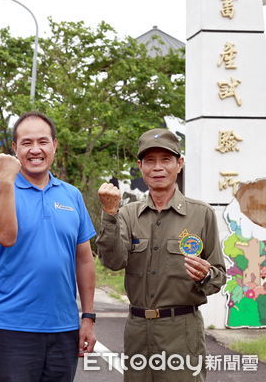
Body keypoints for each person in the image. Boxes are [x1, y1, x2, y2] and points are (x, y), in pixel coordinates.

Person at [96, 128, 226, 381]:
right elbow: (113, 262)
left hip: (182, 330)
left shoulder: (201, 214)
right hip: (137, 330)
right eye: (150, 161)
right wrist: (109, 214)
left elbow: (218, 276)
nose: (158, 167)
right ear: (140, 166)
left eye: (166, 160)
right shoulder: (127, 214)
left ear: (179, 164)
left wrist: (205, 275)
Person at [0, 111, 97, 382]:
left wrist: (88, 317)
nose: (35, 150)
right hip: (12, 327)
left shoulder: (71, 195)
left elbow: (84, 259)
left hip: (63, 328)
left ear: (54, 145)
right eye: (26, 143)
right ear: (14, 149)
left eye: (43, 142)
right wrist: (7, 182)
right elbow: (6, 236)